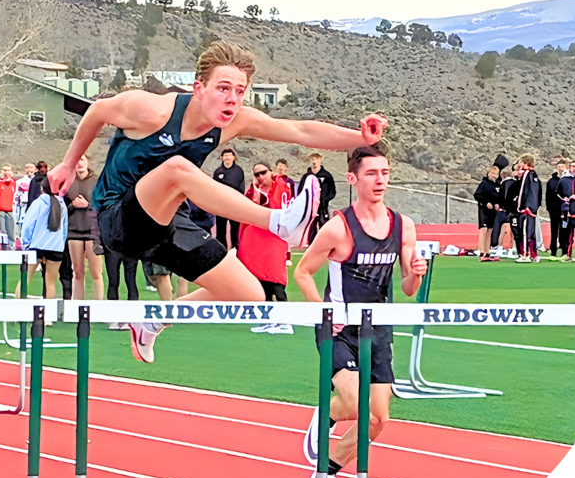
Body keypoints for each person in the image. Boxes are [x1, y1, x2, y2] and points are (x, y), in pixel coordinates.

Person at [47, 40, 388, 363]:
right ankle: (279, 221)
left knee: (249, 294)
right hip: (118, 219)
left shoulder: (234, 122)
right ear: (199, 88)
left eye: (240, 91)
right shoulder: (150, 109)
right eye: (223, 88)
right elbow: (97, 112)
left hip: (168, 222)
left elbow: (299, 131)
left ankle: (154, 322)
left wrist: (361, 138)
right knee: (178, 169)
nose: (232, 99)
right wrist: (67, 163)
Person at [294, 146, 428, 478]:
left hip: (378, 330)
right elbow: (303, 272)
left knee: (379, 419)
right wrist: (325, 313)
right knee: (360, 407)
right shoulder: (338, 227)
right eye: (371, 173)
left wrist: (415, 274)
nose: (380, 180)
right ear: (353, 179)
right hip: (339, 330)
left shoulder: (403, 226)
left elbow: (408, 288)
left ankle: (325, 473)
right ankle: (331, 411)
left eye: (384, 172)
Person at [239, 161, 293, 334]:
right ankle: (268, 319)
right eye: (256, 174)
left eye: (263, 172)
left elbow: (280, 208)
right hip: (259, 239)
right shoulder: (254, 191)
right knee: (262, 280)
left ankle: (285, 321)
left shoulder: (282, 187)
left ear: (270, 171)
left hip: (275, 238)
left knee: (276, 279)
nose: (260, 177)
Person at [20, 176, 69, 300]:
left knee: (25, 280)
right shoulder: (61, 204)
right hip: (56, 247)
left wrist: (25, 244)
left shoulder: (38, 203)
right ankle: (48, 317)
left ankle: (17, 311)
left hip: (37, 246)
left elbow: (28, 225)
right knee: (50, 284)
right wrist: (61, 244)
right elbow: (64, 228)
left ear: (42, 188)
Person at [66, 155, 104, 300]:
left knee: (96, 272)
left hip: (92, 232)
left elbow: (104, 204)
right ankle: (77, 305)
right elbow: (61, 207)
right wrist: (72, 205)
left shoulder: (96, 181)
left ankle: (99, 305)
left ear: (87, 162)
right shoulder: (69, 182)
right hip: (74, 231)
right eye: (76, 160)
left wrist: (88, 205)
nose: (79, 163)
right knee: (77, 271)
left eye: (82, 160)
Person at [212, 147, 246, 250]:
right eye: (225, 155)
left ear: (234, 157)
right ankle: (221, 250)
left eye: (229, 155)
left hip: (234, 205)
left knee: (235, 229)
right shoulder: (218, 172)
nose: (227, 158)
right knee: (221, 229)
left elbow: (238, 186)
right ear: (221, 158)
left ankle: (235, 250)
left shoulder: (238, 171)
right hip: (221, 205)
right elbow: (214, 188)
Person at [300, 153, 337, 244]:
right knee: (310, 227)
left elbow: (332, 191)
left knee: (323, 225)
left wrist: (325, 199)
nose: (314, 162)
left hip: (322, 208)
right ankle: (311, 245)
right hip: (310, 208)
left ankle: (324, 244)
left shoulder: (327, 176)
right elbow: (301, 191)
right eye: (312, 159)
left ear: (321, 161)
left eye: (316, 159)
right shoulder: (306, 177)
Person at [515, 153, 542, 263]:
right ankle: (534, 254)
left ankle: (525, 254)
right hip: (532, 207)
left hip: (527, 208)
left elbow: (525, 192)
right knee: (531, 231)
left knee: (525, 231)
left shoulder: (527, 174)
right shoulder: (533, 174)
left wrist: (523, 206)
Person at [473, 165, 502, 262]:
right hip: (484, 209)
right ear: (488, 173)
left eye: (496, 174)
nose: (494, 176)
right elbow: (477, 195)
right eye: (492, 173)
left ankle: (487, 250)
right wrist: (486, 203)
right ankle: (481, 251)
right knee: (483, 229)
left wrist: (497, 204)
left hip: (492, 211)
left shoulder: (497, 185)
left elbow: (497, 197)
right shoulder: (484, 183)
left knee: (490, 230)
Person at [545, 159, 569, 259]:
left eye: (563, 167)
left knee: (564, 231)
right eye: (559, 167)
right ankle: (553, 251)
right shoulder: (551, 181)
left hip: (565, 210)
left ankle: (565, 251)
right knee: (554, 231)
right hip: (554, 210)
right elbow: (548, 196)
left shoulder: (568, 180)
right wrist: (550, 208)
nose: (561, 169)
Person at [0, 165, 17, 251]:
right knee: (2, 231)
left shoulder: (15, 183)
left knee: (11, 230)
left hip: (11, 210)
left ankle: (12, 247)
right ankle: (3, 248)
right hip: (1, 210)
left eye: (8, 170)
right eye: (5, 170)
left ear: (11, 172)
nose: (6, 173)